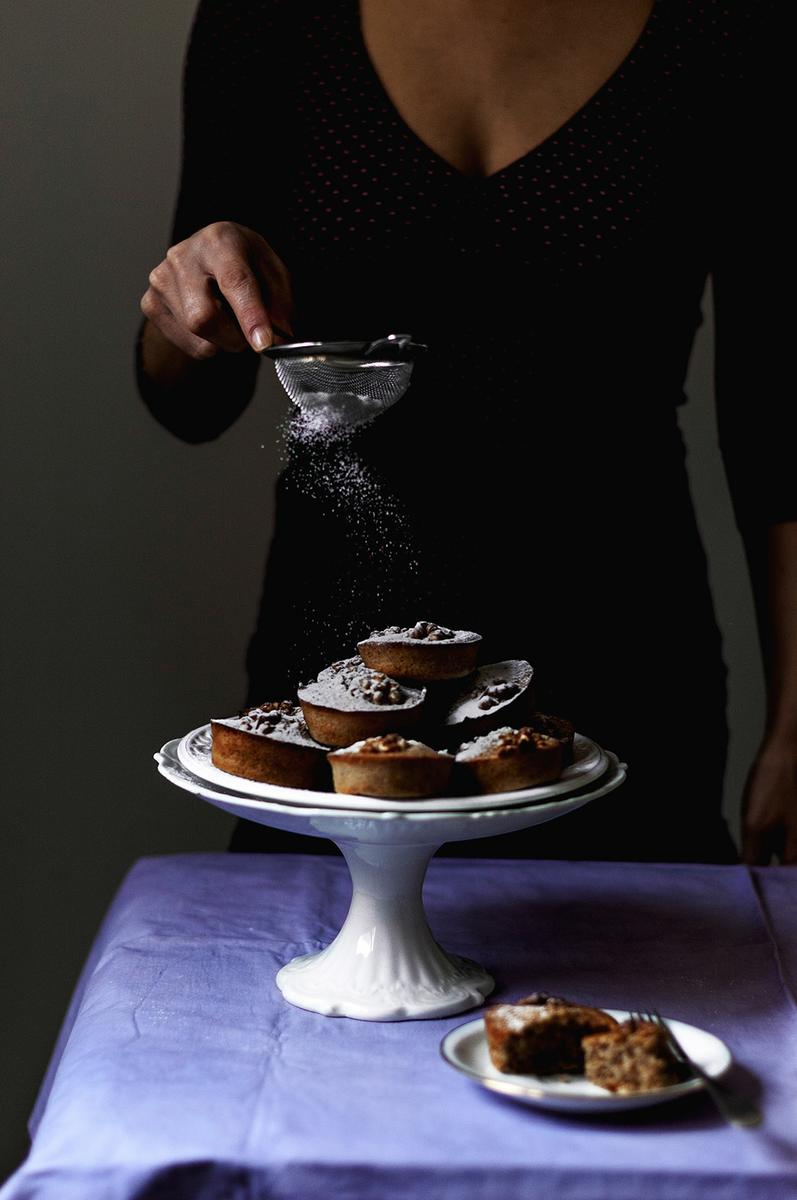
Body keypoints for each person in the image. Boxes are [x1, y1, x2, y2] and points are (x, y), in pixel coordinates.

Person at [137, 0, 796, 863]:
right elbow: (190, 402)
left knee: (626, 947)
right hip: (341, 661)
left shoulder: (730, 26)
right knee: (333, 946)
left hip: (623, 640)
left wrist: (795, 723)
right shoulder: (269, 17)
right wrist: (183, 303)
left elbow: (774, 414)